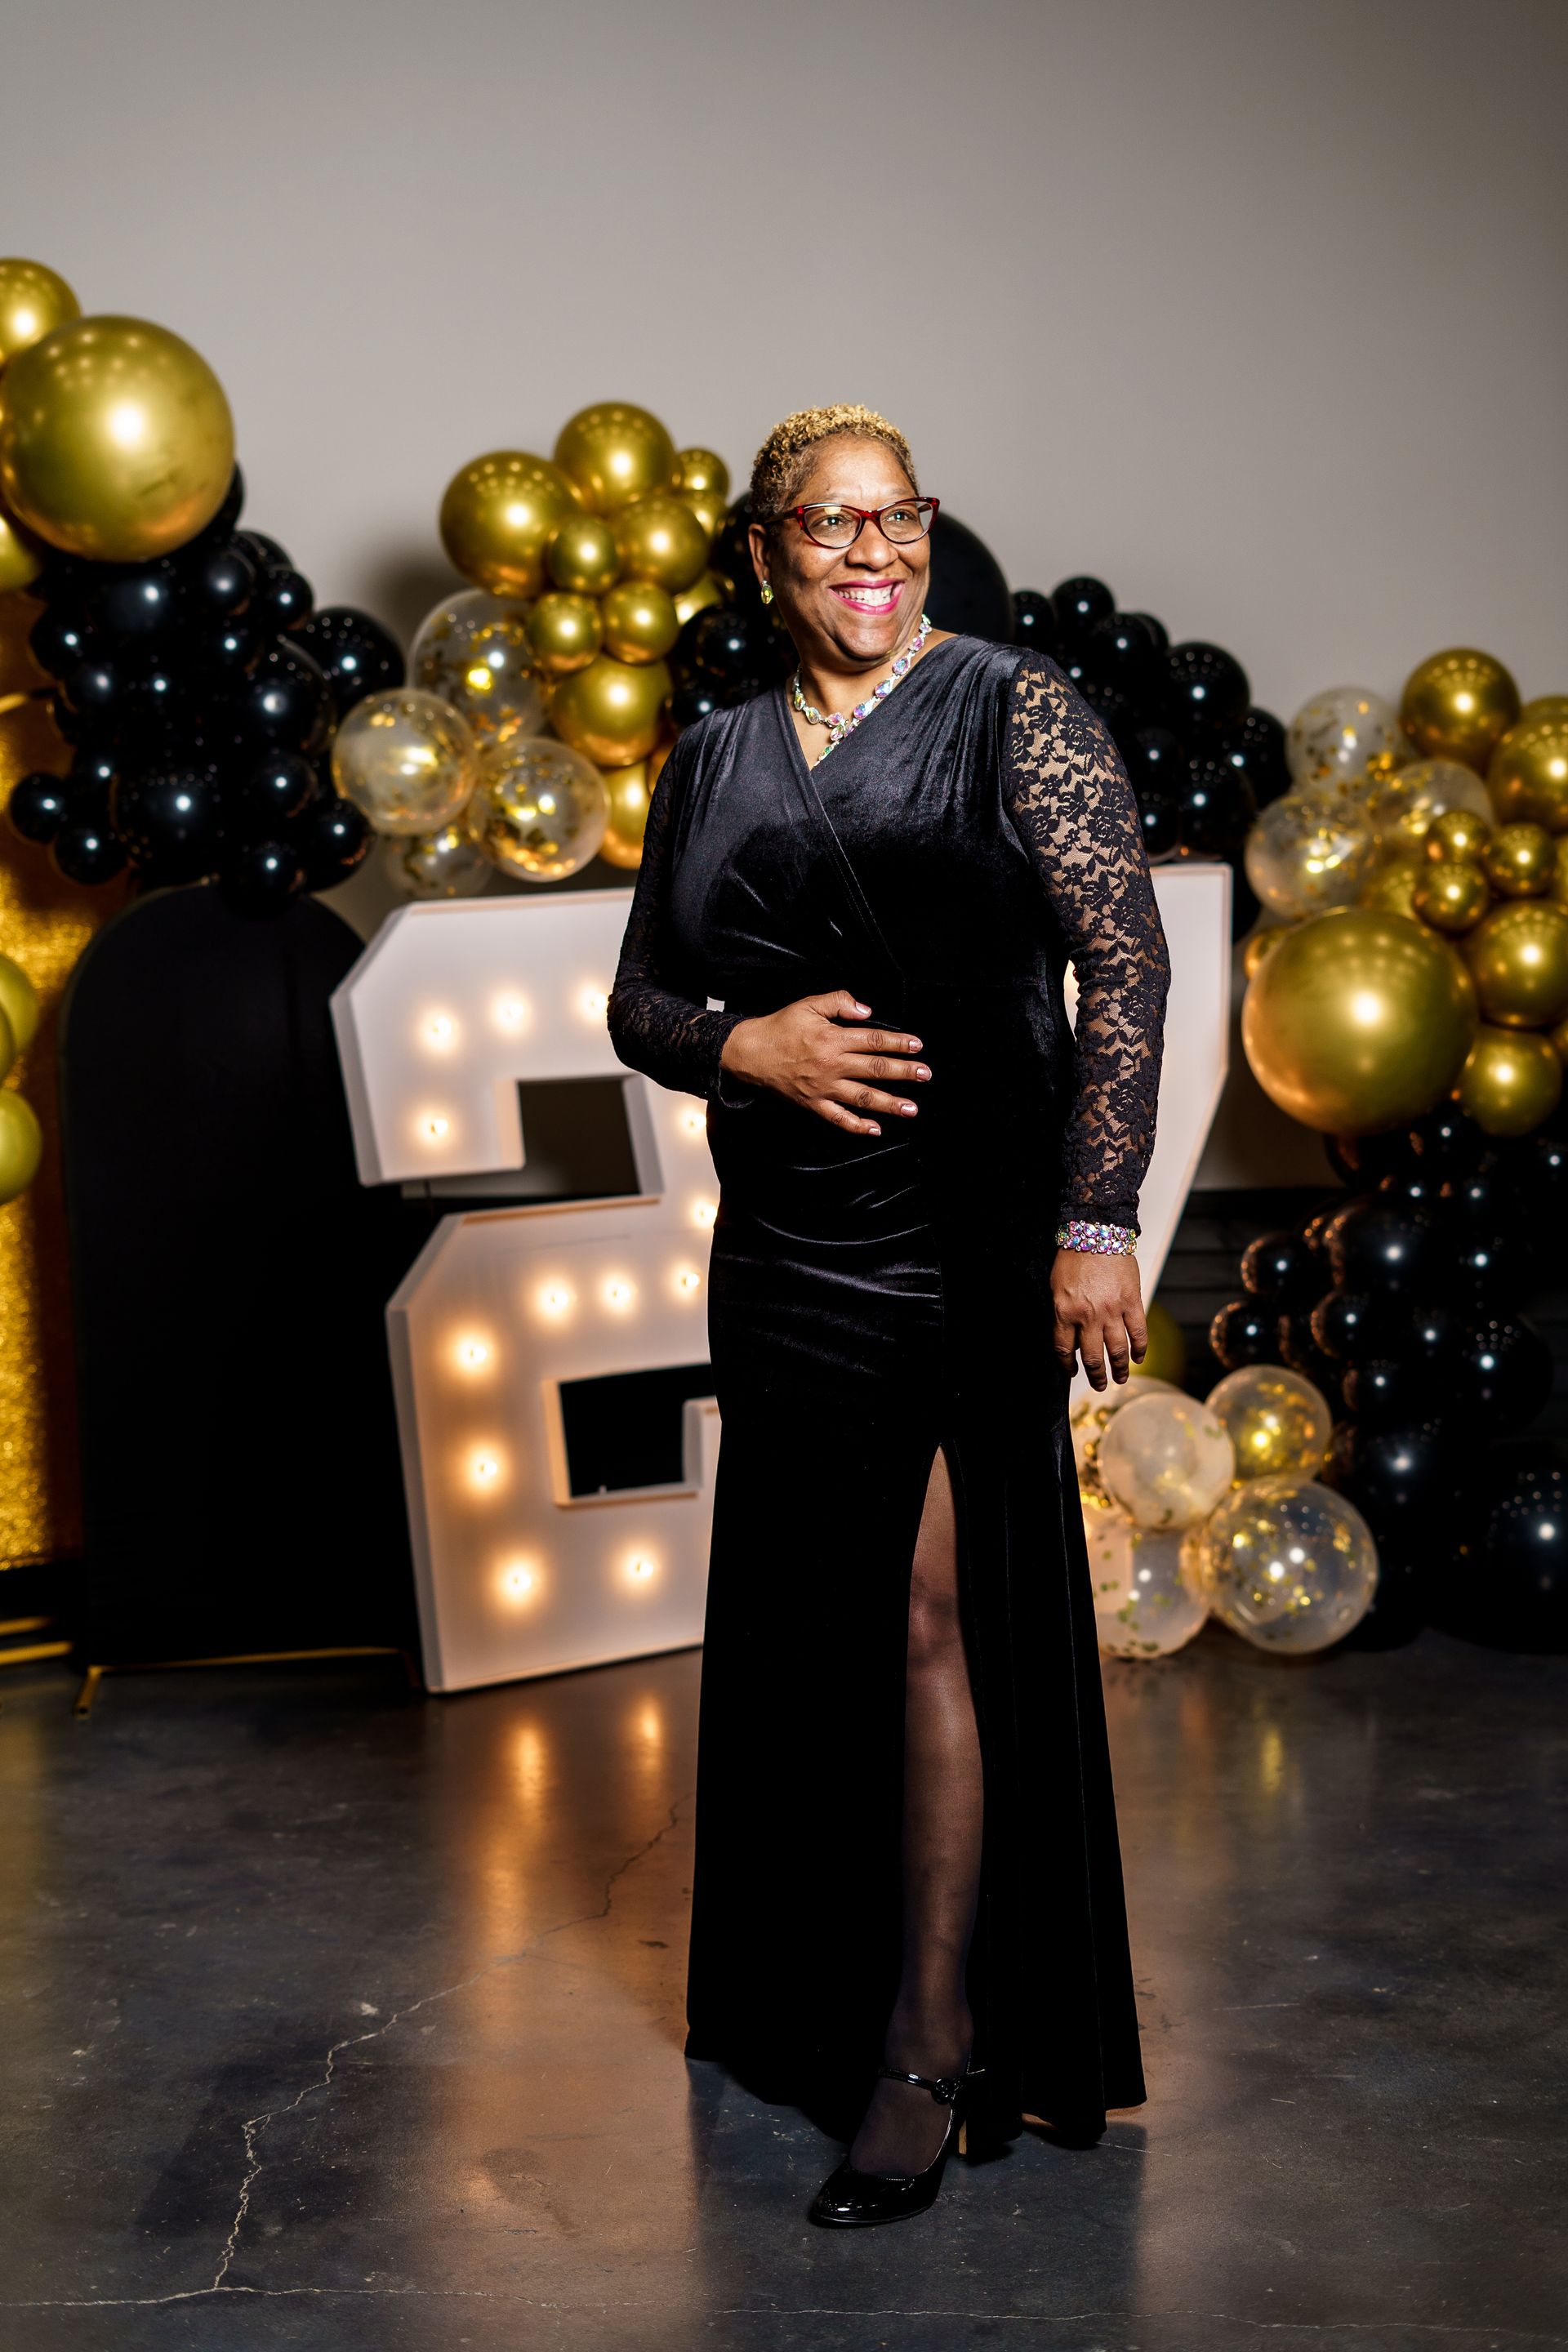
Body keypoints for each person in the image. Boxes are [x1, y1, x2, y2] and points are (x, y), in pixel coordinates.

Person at [607, 404, 1170, 2228]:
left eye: (899, 517)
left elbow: (1130, 961)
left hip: (963, 1237)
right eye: (833, 524)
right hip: (785, 1247)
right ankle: (802, 2000)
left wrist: (1098, 1219)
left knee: (935, 1613)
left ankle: (931, 2048)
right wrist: (741, 1045)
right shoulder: (708, 758)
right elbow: (641, 1003)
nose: (874, 551)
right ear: (766, 552)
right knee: (807, 1624)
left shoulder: (1013, 705)